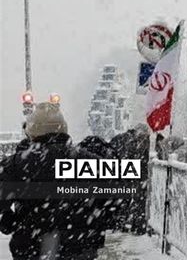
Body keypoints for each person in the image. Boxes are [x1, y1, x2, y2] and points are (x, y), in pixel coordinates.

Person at [0, 102, 112, 259]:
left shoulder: (16, 164)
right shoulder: (91, 162)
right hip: (80, 247)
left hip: (31, 247)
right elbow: (113, 198)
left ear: (32, 132)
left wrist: (9, 218)